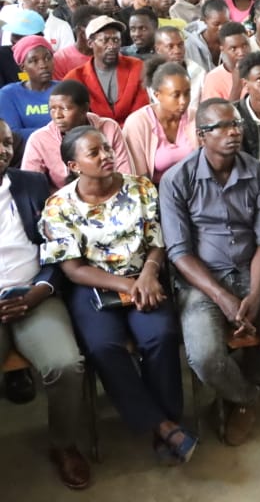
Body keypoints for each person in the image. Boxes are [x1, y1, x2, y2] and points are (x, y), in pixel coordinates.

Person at [39, 126, 197, 464]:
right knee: (102, 346)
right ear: (74, 165)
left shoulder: (140, 188)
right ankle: (163, 426)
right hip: (92, 288)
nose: (106, 156)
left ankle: (167, 421)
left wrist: (150, 274)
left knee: (160, 336)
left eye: (107, 149)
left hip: (146, 277)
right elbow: (73, 269)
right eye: (93, 153)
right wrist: (129, 285)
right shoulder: (59, 205)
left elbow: (158, 241)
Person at [160, 99, 260, 447]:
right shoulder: (176, 180)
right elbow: (179, 252)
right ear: (201, 136)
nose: (233, 132)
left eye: (236, 125)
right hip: (201, 282)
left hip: (252, 271)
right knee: (205, 357)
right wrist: (223, 297)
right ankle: (244, 398)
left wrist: (255, 292)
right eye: (222, 127)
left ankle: (235, 380)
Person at [0, 119, 91, 489]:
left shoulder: (32, 185)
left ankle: (63, 445)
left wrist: (41, 288)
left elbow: (59, 249)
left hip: (34, 295)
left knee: (66, 364)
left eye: (6, 143)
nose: (2, 150)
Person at [22, 80, 132, 191]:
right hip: (62, 201)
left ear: (84, 109)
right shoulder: (39, 139)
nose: (57, 115)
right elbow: (29, 186)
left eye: (64, 109)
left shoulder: (109, 127)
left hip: (111, 193)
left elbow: (125, 173)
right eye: (52, 109)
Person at [63, 16, 149, 125]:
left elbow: (141, 111)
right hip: (94, 136)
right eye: (105, 40)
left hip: (133, 132)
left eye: (116, 40)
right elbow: (76, 118)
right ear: (90, 43)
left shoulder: (137, 67)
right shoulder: (75, 78)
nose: (112, 46)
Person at [122, 61, 196, 184]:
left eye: (187, 93)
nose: (183, 101)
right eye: (176, 95)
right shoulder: (138, 123)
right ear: (157, 95)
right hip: (155, 192)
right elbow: (140, 179)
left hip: (195, 188)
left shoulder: (195, 117)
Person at [0, 35, 56, 139]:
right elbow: (13, 134)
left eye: (48, 58)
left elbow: (75, 129)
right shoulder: (8, 94)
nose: (43, 65)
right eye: (34, 61)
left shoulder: (65, 89)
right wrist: (57, 132)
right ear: (23, 67)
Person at [200, 22, 251, 102]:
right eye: (233, 49)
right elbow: (217, 113)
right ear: (222, 49)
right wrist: (237, 87)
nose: (241, 52)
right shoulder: (213, 78)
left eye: (245, 46)